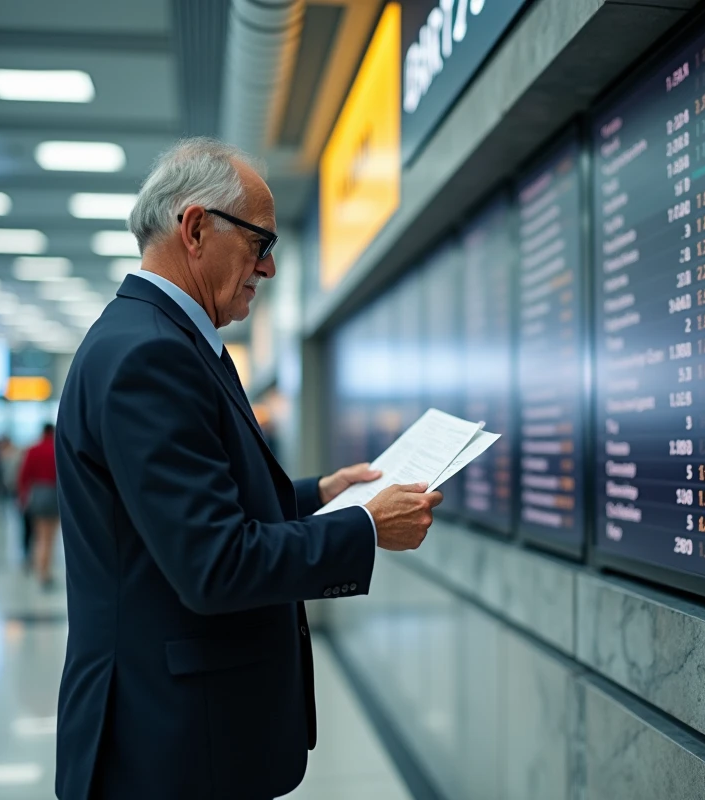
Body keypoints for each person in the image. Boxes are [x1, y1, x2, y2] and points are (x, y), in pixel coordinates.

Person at [54, 137, 441, 800]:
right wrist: (366, 530)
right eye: (261, 243)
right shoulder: (151, 357)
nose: (266, 268)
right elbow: (214, 564)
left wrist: (319, 495)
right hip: (172, 746)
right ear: (197, 228)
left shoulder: (161, 341)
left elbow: (188, 509)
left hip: (178, 732)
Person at [17, 423, 59, 589]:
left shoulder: (33, 450)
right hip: (54, 494)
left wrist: (22, 498)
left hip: (37, 494)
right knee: (49, 538)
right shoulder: (57, 449)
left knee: (39, 536)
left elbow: (24, 475)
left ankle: (38, 569)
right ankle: (45, 572)